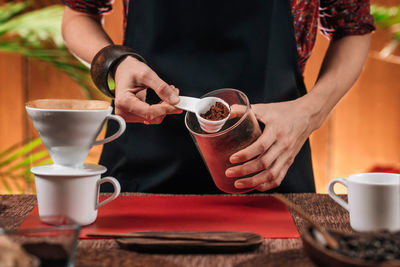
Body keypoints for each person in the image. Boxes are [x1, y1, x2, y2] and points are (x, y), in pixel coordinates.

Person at [61, 0, 374, 193]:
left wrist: (309, 113)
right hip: (141, 168)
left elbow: (353, 27)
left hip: (268, 162)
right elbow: (78, 13)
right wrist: (116, 62)